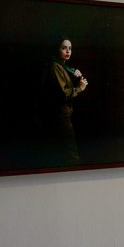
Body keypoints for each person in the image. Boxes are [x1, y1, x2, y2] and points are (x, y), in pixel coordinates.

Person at [41, 37, 88, 166]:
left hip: (64, 115)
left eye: (70, 48)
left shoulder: (64, 67)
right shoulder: (55, 67)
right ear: (57, 49)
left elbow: (65, 87)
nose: (68, 51)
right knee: (70, 153)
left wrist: (76, 77)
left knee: (65, 151)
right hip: (60, 116)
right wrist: (81, 87)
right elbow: (64, 94)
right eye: (64, 48)